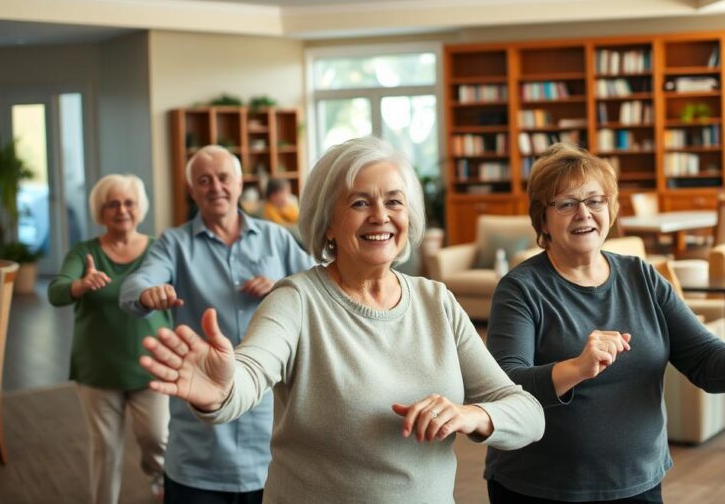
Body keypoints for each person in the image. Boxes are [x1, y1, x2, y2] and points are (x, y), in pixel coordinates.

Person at [137, 136, 545, 503]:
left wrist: (471, 415)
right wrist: (222, 389)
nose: (380, 216)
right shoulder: (296, 300)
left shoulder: (435, 301)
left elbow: (528, 414)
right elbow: (249, 373)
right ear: (328, 222)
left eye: (394, 201)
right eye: (359, 202)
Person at [484, 143, 725, 503]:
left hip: (638, 483)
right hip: (541, 488)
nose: (583, 213)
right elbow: (506, 385)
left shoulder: (641, 276)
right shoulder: (521, 289)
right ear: (543, 218)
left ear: (610, 209)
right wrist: (576, 368)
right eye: (566, 204)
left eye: (595, 201)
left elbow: (702, 356)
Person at [120, 145, 312, 504]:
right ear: (192, 190)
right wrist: (150, 294)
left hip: (271, 437)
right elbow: (135, 285)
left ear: (240, 184)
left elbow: (319, 284)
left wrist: (282, 287)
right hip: (199, 451)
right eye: (203, 180)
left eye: (223, 177)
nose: (215, 187)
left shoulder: (277, 238)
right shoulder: (173, 243)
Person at [47, 174, 170, 504]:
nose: (122, 210)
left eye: (128, 202)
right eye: (112, 204)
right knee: (105, 449)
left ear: (139, 208)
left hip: (152, 366)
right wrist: (80, 285)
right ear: (100, 211)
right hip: (98, 368)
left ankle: (160, 479)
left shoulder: (159, 249)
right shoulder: (84, 252)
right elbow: (56, 293)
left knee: (157, 439)